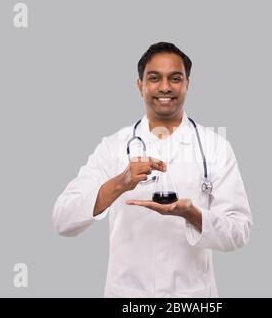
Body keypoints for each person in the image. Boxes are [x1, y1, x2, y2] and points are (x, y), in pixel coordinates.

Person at [52, 42, 253, 298]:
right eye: (154, 78)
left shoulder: (216, 148)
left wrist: (193, 215)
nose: (165, 87)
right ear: (140, 86)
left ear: (188, 84)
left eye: (175, 78)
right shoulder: (113, 147)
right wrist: (119, 184)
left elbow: (240, 231)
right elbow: (62, 220)